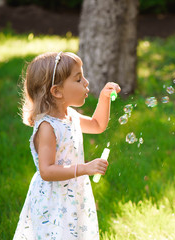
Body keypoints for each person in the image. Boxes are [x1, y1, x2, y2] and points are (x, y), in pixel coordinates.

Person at [14, 51, 121, 239]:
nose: (86, 82)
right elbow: (46, 171)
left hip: (73, 194)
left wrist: (104, 98)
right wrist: (84, 168)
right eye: (78, 79)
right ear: (57, 91)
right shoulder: (48, 127)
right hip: (54, 199)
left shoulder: (70, 115)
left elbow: (97, 125)